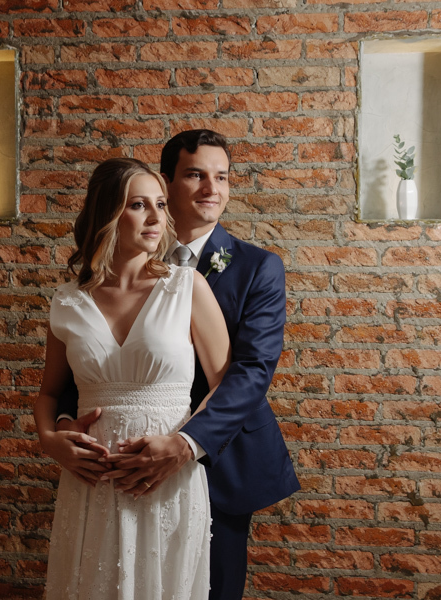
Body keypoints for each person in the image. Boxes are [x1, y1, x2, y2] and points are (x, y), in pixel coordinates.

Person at [59, 130, 301, 599]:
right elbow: (88, 361)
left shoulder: (257, 267)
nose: (213, 189)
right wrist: (63, 429)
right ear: (164, 182)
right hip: (120, 460)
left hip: (219, 458)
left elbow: (251, 372)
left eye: (222, 177)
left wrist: (187, 444)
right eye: (196, 175)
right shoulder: (113, 269)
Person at [34, 157, 231, 600]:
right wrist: (50, 439)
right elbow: (49, 393)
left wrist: (184, 445)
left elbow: (225, 384)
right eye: (139, 205)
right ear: (109, 213)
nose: (157, 217)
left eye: (160, 204)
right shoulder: (67, 302)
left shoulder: (187, 287)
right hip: (92, 483)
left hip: (167, 478)